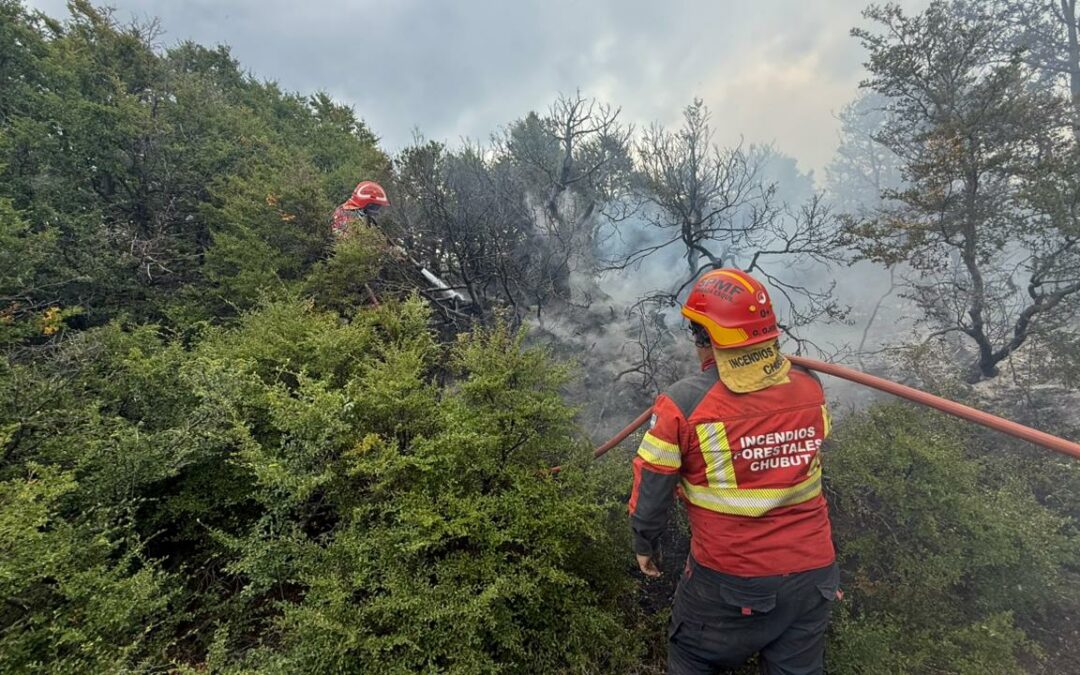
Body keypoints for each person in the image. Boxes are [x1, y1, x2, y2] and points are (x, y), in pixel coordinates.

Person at [629, 268, 840, 675]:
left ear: (706, 337)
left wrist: (644, 542)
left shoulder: (684, 403)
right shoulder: (810, 386)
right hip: (814, 576)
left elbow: (654, 484)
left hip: (731, 581)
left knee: (692, 658)